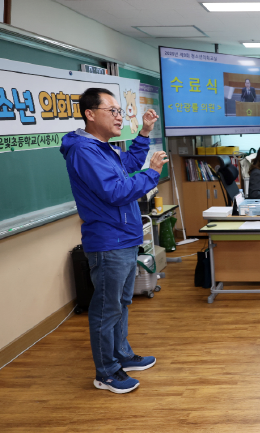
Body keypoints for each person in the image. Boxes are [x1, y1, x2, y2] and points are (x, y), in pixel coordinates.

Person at [60, 88, 167, 394]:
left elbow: (128, 164)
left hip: (123, 237)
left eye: (120, 111)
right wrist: (152, 173)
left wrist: (144, 132)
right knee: (107, 309)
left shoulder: (102, 148)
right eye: (113, 111)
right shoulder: (84, 151)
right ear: (90, 114)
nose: (120, 117)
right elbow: (115, 191)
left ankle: (121, 355)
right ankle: (106, 372)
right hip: (109, 241)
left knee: (120, 303)